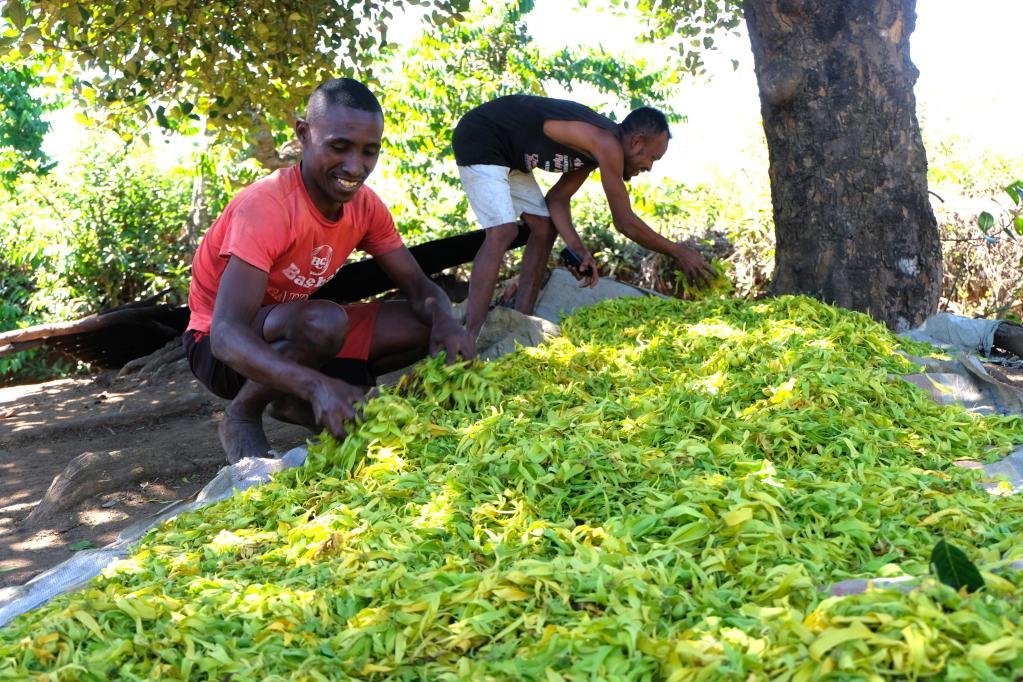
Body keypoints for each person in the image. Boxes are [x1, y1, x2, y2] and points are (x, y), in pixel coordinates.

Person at [183, 78, 475, 463]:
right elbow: (224, 334)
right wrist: (317, 385)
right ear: (304, 135)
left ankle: (291, 404)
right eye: (339, 147)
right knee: (324, 321)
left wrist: (448, 322)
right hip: (218, 350)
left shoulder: (365, 207)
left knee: (427, 323)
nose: (356, 166)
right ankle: (243, 414)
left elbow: (419, 287)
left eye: (369, 152)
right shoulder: (267, 206)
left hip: (290, 335)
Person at [452, 94, 715, 338]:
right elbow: (624, 222)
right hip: (482, 136)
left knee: (543, 227)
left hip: (511, 154)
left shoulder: (593, 153)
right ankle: (470, 336)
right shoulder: (605, 143)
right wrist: (679, 252)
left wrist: (578, 249)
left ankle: (523, 322)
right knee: (503, 231)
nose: (648, 167)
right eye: (652, 158)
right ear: (636, 142)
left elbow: (557, 200)